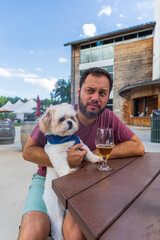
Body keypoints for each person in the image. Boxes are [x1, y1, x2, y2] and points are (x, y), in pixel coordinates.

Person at [18, 67, 145, 240]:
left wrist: (90, 154)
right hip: (46, 179)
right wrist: (64, 160)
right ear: (79, 91)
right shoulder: (58, 113)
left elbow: (137, 147)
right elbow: (28, 152)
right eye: (90, 90)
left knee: (75, 233)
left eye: (102, 93)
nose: (95, 97)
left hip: (87, 182)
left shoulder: (109, 117)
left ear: (108, 96)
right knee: (31, 233)